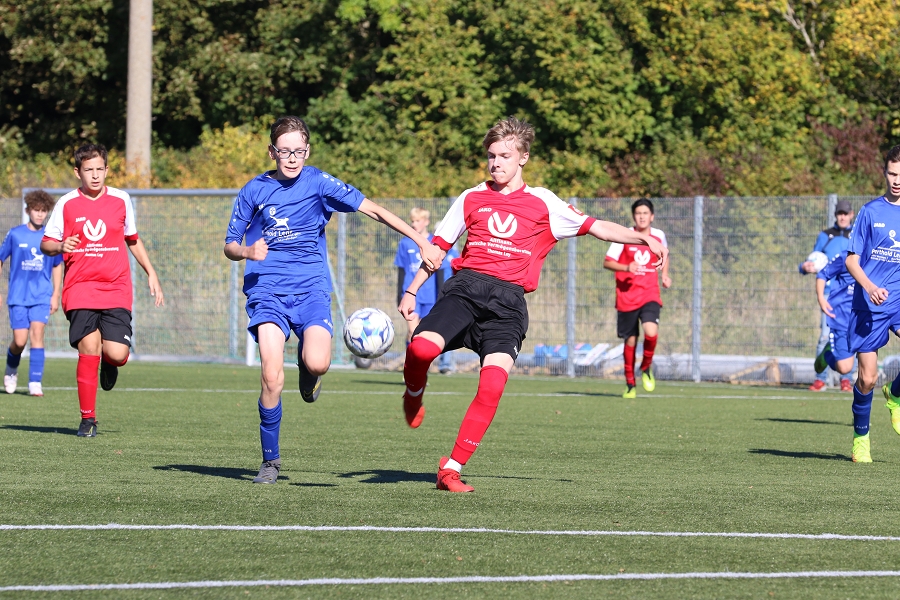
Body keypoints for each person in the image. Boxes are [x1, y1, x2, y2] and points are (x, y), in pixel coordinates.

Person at [398, 116, 667, 492]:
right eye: (491, 156)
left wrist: (642, 239)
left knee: (492, 384)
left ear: (523, 157)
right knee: (421, 349)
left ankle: (451, 469)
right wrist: (412, 291)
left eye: (504, 156)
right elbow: (438, 248)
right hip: (466, 291)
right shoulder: (471, 197)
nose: (495, 163)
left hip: (508, 304)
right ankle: (413, 393)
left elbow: (598, 227)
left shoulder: (544, 203)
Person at [224, 115, 440, 485]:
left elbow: (373, 209)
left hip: (311, 289)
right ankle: (270, 461)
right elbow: (229, 245)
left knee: (318, 362)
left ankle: (307, 370)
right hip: (267, 290)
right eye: (285, 151)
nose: (292, 158)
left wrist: (421, 241)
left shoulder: (319, 182)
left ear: (307, 151)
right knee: (271, 376)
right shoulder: (254, 190)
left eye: (299, 151)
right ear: (272, 152)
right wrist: (247, 251)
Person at [41, 143, 165, 438]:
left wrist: (151, 272)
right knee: (89, 347)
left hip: (116, 287)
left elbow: (132, 239)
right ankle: (88, 419)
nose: (95, 175)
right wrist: (61, 245)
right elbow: (46, 243)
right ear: (78, 172)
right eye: (89, 170)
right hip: (80, 287)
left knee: (118, 353)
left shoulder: (121, 199)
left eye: (100, 169)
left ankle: (110, 364)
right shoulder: (67, 203)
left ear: (107, 170)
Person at [845, 145, 900, 463]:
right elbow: (852, 261)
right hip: (870, 303)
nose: (897, 180)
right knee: (867, 379)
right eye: (892, 174)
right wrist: (870, 287)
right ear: (884, 174)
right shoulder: (870, 212)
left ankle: (896, 394)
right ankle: (861, 439)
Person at [603, 199, 671, 398]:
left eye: (645, 213)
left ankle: (646, 367)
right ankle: (630, 383)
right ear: (634, 216)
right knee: (631, 341)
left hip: (650, 293)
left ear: (652, 216)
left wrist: (665, 275)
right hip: (627, 296)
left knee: (651, 331)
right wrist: (626, 267)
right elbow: (607, 262)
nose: (642, 216)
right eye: (638, 213)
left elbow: (665, 255)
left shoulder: (658, 236)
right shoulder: (624, 236)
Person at [0, 190, 64, 396]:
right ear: (28, 210)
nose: (40, 214)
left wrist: (55, 294)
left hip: (41, 295)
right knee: (19, 341)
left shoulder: (50, 238)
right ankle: (11, 368)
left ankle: (35, 382)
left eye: (43, 211)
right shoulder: (15, 234)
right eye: (36, 210)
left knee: (37, 333)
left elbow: (57, 265)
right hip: (18, 296)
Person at [800, 200, 854, 392]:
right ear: (835, 215)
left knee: (853, 338)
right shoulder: (826, 236)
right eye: (839, 213)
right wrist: (804, 267)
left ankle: (846, 380)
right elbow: (814, 259)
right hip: (829, 295)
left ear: (851, 215)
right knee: (825, 336)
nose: (842, 217)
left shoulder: (857, 236)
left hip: (851, 295)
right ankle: (820, 378)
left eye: (845, 213)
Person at [812, 250, 855, 384]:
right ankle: (827, 355)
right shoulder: (845, 257)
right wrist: (821, 298)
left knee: (868, 373)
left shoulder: (880, 258)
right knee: (845, 368)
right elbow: (822, 274)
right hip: (842, 318)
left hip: (865, 318)